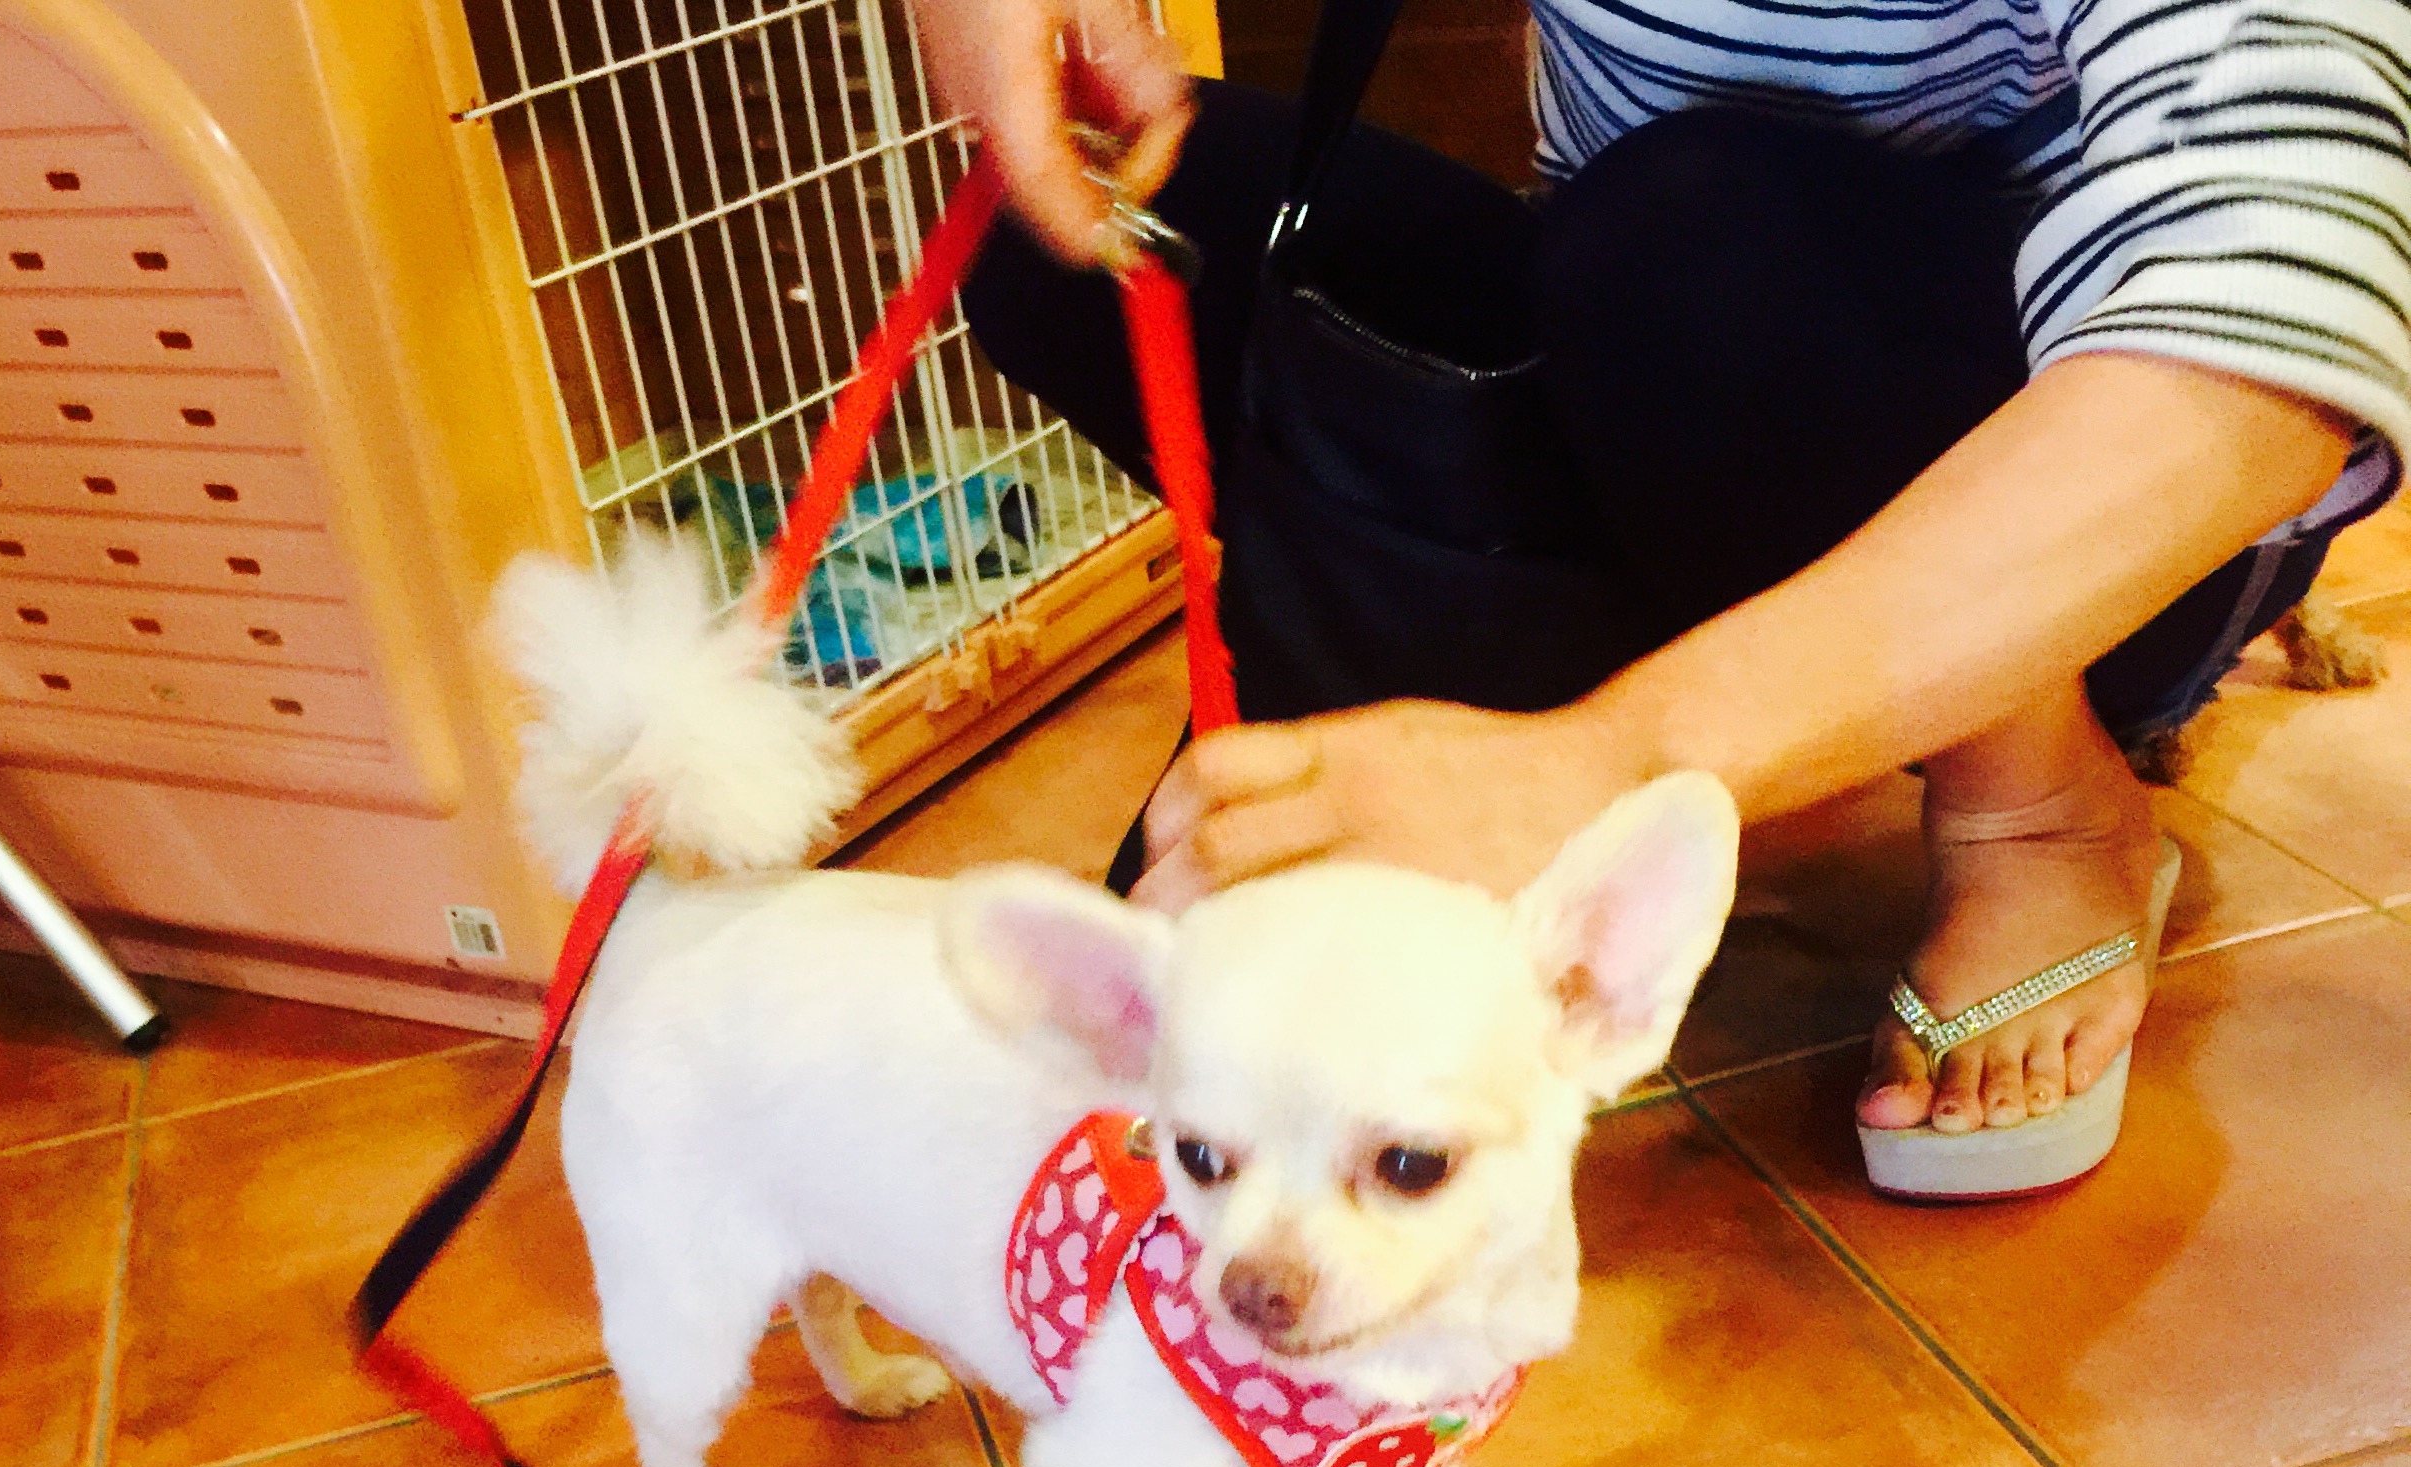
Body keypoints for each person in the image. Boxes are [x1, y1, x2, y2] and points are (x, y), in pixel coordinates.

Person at [910, 0, 2408, 1185]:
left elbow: (2280, 310)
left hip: (2095, 492)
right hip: (1650, 367)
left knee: (1688, 237)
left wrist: (1611, 762)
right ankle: (1529, 694)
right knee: (1116, 225)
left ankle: (2038, 804)